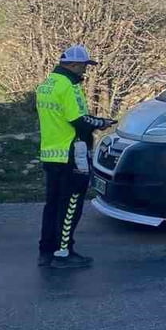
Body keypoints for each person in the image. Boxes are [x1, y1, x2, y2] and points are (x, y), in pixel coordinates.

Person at [36, 45, 114, 268]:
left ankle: (46, 251)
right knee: (71, 204)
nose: (84, 71)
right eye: (83, 66)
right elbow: (79, 120)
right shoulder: (69, 87)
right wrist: (102, 122)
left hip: (51, 153)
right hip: (73, 153)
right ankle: (63, 253)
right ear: (72, 65)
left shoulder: (46, 85)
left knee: (51, 205)